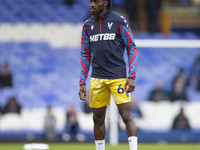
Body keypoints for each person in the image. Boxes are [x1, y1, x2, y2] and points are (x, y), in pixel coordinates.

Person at [78, 0, 138, 150]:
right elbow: (85, 55)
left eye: (96, 1)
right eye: (90, 1)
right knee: (97, 118)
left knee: (126, 116)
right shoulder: (87, 26)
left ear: (105, 2)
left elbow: (131, 47)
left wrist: (131, 76)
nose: (92, 4)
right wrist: (82, 82)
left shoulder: (119, 21)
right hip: (97, 78)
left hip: (118, 77)